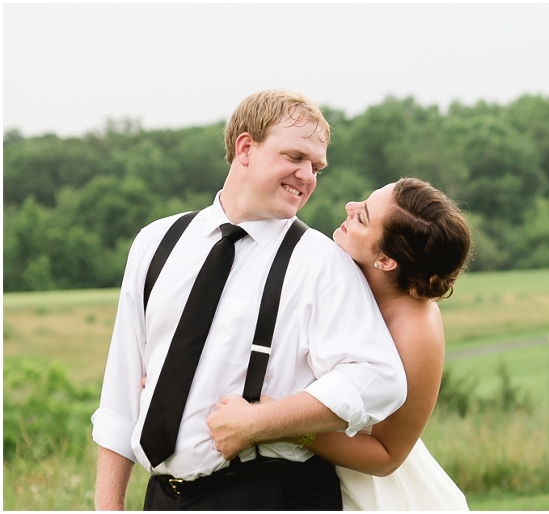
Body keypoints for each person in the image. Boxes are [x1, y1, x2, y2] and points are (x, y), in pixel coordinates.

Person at [91, 89, 407, 510]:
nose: (308, 176)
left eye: (316, 167)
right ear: (245, 147)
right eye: (295, 157)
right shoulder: (156, 242)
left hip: (273, 493)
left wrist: (262, 421)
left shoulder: (322, 262)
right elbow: (120, 394)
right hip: (165, 498)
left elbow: (379, 379)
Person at [207, 177, 473, 510]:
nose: (349, 207)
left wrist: (281, 425)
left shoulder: (417, 328)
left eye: (362, 216)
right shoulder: (332, 270)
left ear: (386, 261)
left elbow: (387, 456)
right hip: (291, 480)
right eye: (363, 202)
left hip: (370, 492)